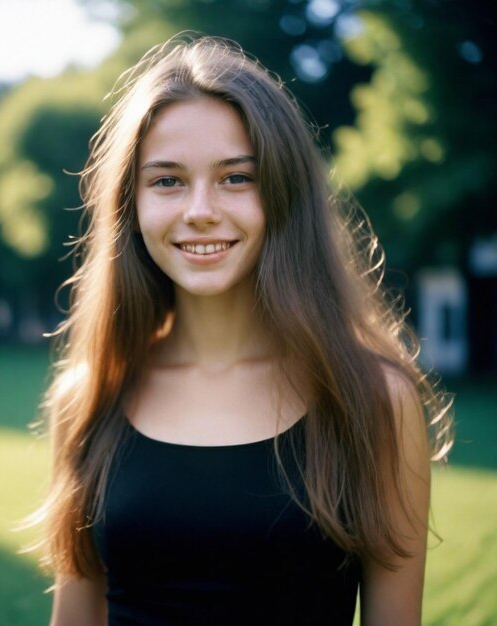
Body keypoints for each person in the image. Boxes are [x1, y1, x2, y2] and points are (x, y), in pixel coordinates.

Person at [37, 34, 453, 626]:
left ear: (285, 195)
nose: (199, 209)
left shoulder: (375, 402)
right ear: (130, 206)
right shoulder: (88, 397)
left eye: (236, 177)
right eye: (167, 181)